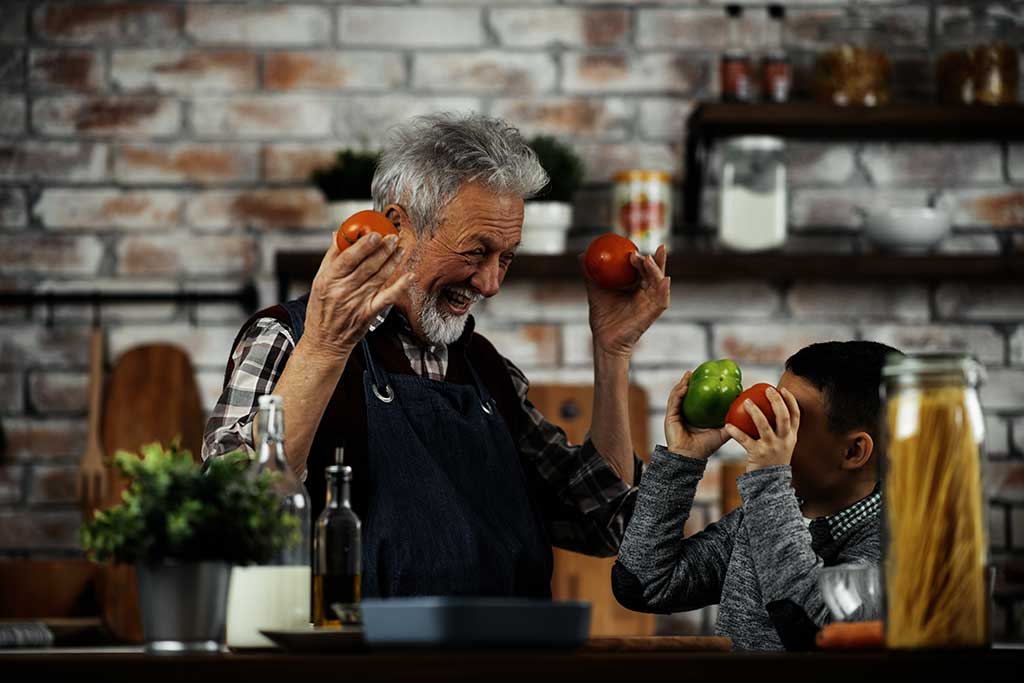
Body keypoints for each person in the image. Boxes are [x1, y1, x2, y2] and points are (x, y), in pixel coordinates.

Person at [203, 112, 671, 598]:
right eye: (476, 251)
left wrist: (612, 353)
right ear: (399, 227)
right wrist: (325, 347)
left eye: (506, 257)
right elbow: (231, 520)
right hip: (355, 671)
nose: (491, 284)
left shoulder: (487, 370)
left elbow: (601, 520)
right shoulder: (285, 337)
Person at [612, 341, 901, 650]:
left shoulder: (899, 545)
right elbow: (642, 584)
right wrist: (682, 460)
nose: (766, 428)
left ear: (853, 451)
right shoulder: (759, 520)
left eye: (790, 418)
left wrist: (768, 481)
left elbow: (808, 622)